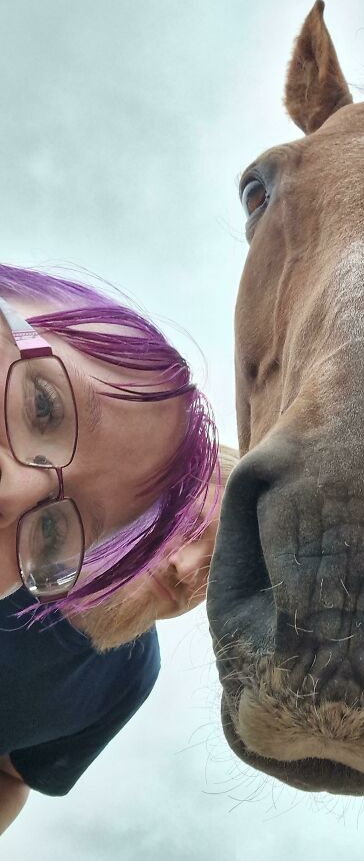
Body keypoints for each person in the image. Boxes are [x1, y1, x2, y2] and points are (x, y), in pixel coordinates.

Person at [0, 263, 222, 833]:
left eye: (219, 573)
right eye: (42, 405)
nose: (186, 569)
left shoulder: (129, 676)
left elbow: (14, 777)